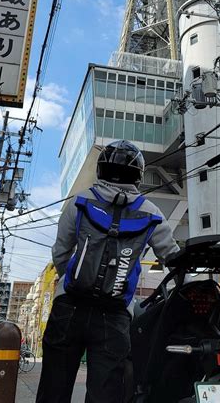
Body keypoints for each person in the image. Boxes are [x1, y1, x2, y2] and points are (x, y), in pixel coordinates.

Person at [36, 140, 179, 403]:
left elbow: (60, 253)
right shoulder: (151, 212)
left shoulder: (79, 200)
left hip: (69, 306)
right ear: (138, 174)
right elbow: (172, 256)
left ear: (101, 170)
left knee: (54, 387)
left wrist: (74, 280)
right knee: (106, 393)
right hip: (114, 315)